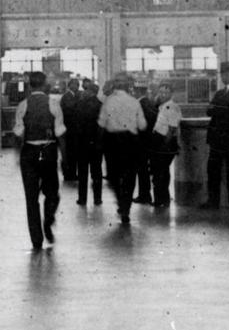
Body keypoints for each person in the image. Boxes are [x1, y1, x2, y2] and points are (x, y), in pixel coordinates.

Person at [12, 71, 67, 249]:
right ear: (44, 85)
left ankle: (36, 239)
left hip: (28, 153)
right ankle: (48, 221)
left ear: (29, 86)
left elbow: (18, 133)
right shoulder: (54, 104)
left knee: (31, 197)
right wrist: (64, 157)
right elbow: (60, 133)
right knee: (52, 193)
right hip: (48, 151)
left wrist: (18, 154)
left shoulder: (23, 105)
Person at [98, 73, 148, 224]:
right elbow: (142, 125)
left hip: (112, 142)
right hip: (131, 142)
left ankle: (121, 202)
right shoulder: (134, 102)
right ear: (129, 86)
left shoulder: (108, 102)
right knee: (130, 176)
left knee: (113, 175)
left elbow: (101, 124)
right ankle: (126, 207)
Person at [201, 62, 229, 209]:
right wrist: (222, 108)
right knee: (213, 171)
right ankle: (213, 201)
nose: (224, 76)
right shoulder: (220, 93)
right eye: (222, 74)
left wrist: (217, 108)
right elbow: (209, 111)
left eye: (227, 73)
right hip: (217, 138)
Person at [148, 83, 182, 207]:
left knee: (159, 172)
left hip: (165, 142)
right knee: (161, 171)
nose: (162, 95)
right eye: (161, 92)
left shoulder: (171, 106)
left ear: (171, 94)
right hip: (160, 141)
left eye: (165, 93)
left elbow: (172, 129)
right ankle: (163, 199)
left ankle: (160, 200)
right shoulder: (163, 106)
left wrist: (164, 145)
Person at [74, 80, 105, 207]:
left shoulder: (80, 104)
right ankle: (97, 199)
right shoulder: (101, 105)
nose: (84, 92)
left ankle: (82, 199)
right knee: (97, 172)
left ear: (91, 92)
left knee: (82, 172)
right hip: (97, 144)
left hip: (82, 144)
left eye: (86, 90)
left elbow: (77, 124)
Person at [59, 78, 82, 182]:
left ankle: (72, 173)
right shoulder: (66, 97)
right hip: (69, 128)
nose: (76, 86)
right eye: (74, 84)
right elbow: (69, 109)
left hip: (74, 129)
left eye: (77, 84)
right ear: (70, 86)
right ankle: (69, 174)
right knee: (69, 153)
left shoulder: (76, 95)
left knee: (74, 153)